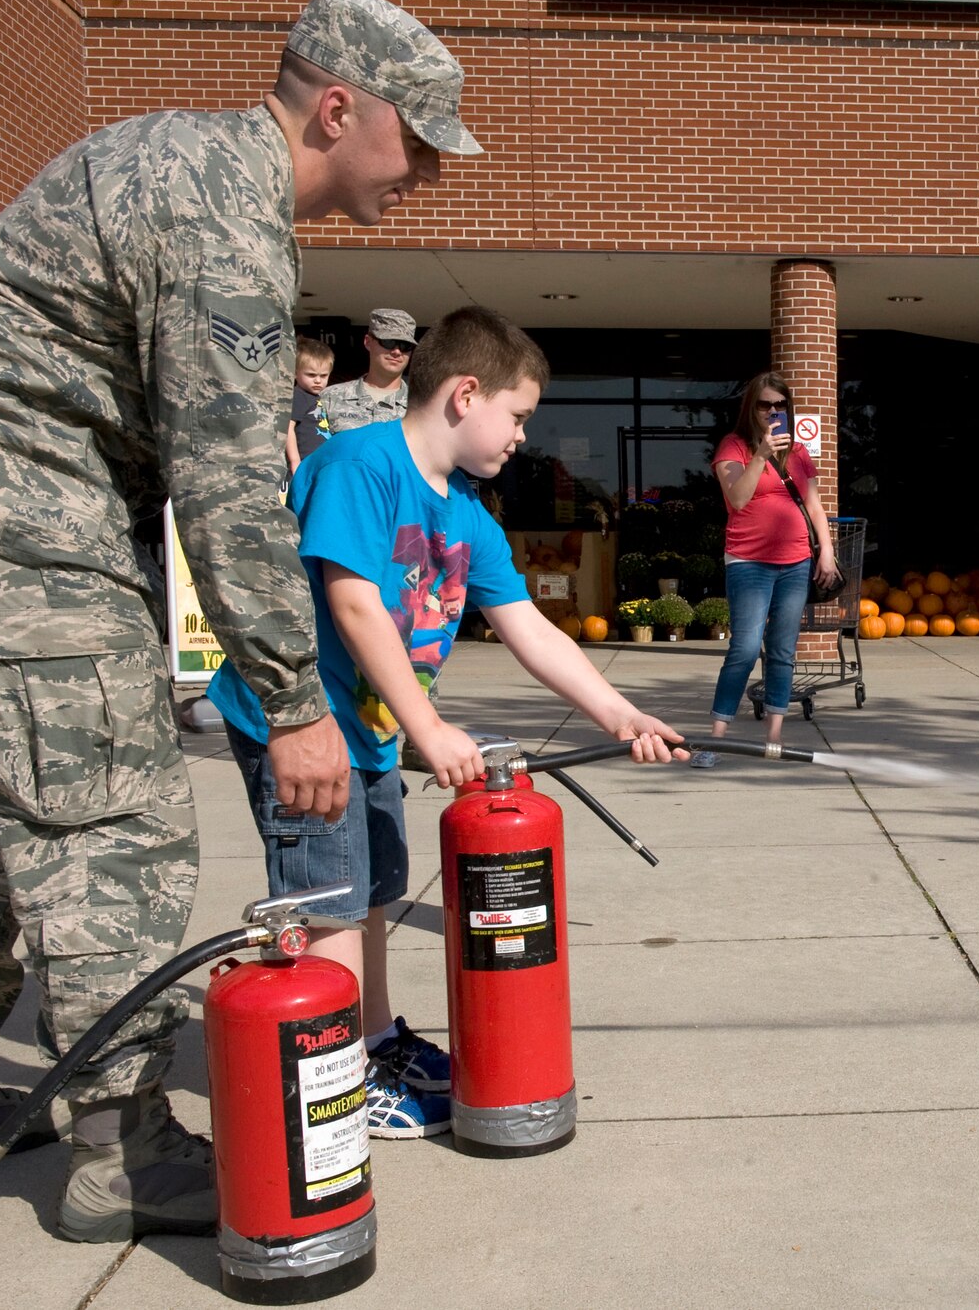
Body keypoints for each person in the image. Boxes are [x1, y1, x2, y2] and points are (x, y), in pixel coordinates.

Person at [0, 0, 482, 1243]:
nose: (431, 171)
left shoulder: (172, 151)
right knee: (113, 810)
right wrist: (296, 703)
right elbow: (226, 484)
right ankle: (120, 1147)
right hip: (7, 493)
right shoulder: (227, 216)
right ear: (338, 109)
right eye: (420, 139)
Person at [207, 304, 688, 1135]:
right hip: (304, 728)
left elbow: (529, 627)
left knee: (371, 894)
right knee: (328, 903)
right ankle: (339, 1078)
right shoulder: (360, 465)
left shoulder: (466, 513)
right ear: (467, 394)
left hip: (371, 735)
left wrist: (619, 712)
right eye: (518, 414)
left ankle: (374, 1039)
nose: (523, 436)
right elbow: (354, 603)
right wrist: (428, 729)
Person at [690, 373, 840, 768]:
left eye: (780, 405)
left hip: (795, 561)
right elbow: (737, 499)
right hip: (748, 561)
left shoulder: (798, 451)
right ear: (751, 408)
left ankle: (774, 737)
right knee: (743, 649)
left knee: (782, 650)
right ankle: (714, 740)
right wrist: (759, 455)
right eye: (765, 404)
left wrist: (826, 551)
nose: (773, 411)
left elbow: (814, 506)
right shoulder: (734, 446)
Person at [319, 308, 416, 432]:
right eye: (389, 342)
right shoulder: (330, 398)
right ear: (368, 342)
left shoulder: (421, 405)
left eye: (405, 345)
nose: (397, 351)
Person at [285, 335, 336, 476]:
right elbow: (288, 427)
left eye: (323, 375)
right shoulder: (298, 395)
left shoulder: (319, 397)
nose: (318, 380)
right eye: (311, 375)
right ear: (295, 373)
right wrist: (295, 461)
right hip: (304, 464)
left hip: (320, 463)